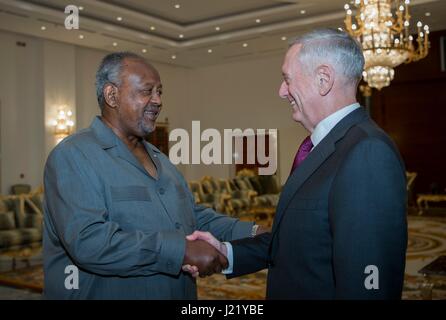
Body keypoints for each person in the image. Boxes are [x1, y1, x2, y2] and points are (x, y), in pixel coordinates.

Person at [186, 28, 408, 299]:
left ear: (323, 79)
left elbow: (370, 281)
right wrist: (226, 252)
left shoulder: (366, 152)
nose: (281, 91)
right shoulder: (320, 147)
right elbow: (295, 241)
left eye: (287, 79)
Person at [43, 52, 266, 299]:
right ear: (112, 95)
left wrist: (251, 232)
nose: (158, 100)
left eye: (160, 92)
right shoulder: (73, 156)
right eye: (147, 91)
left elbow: (191, 216)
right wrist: (180, 251)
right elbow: (90, 242)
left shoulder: (161, 159)